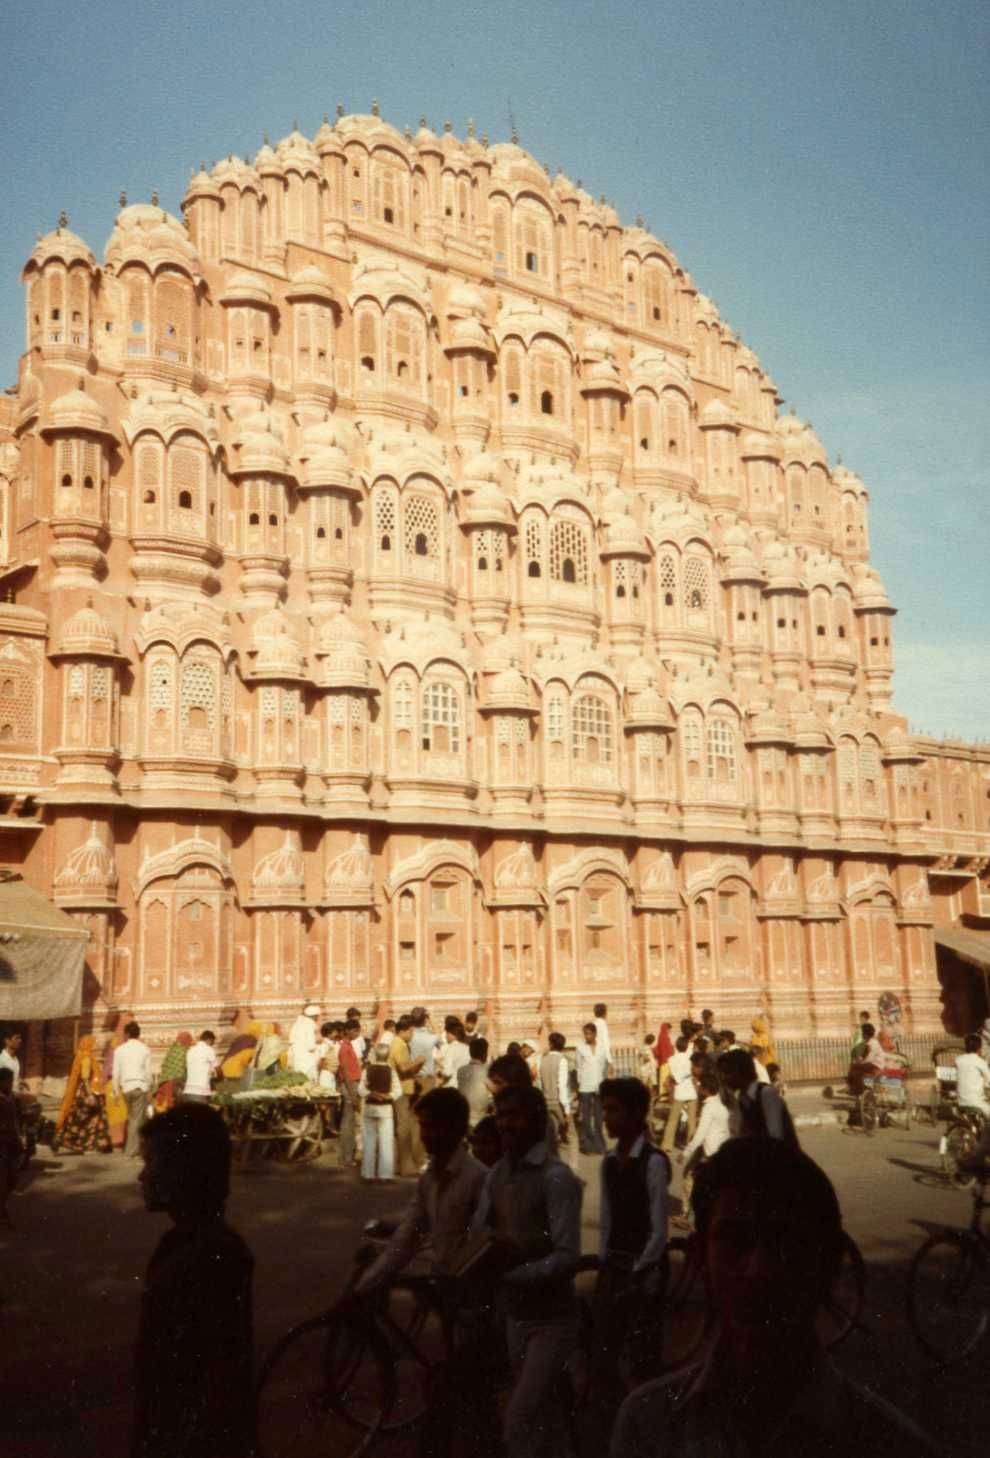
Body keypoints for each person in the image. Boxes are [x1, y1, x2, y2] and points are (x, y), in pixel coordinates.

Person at [611, 1139, 937, 1458]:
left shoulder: (896, 1445)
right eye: (735, 1241)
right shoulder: (645, 1426)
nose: (759, 1270)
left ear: (829, 1263)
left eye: (786, 1242)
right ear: (700, 1260)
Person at [132, 1103, 255, 1458]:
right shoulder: (187, 1243)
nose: (142, 1177)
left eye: (150, 1163)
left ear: (183, 1171)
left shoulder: (212, 1253)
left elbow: (216, 1379)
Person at [471, 1083, 583, 1458]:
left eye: (514, 1117)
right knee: (543, 1419)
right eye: (501, 1116)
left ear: (535, 1122)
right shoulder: (496, 1175)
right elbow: (479, 1234)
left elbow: (568, 1256)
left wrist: (512, 1274)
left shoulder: (557, 1177)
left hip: (552, 1321)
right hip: (514, 1318)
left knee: (518, 1420)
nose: (505, 1125)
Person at [356, 1086, 487, 1289]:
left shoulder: (477, 1178)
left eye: (433, 1127)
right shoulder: (429, 1178)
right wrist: (368, 1283)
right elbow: (407, 1236)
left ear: (455, 1129)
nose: (425, 1135)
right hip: (442, 1278)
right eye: (424, 1127)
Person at [593, 1078, 670, 1418]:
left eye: (614, 1110)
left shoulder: (652, 1162)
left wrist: (640, 1270)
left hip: (643, 1269)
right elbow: (607, 1220)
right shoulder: (609, 1162)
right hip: (616, 1267)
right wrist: (604, 1263)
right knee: (605, 1347)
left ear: (637, 1114)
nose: (606, 1118)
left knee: (642, 1353)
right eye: (604, 1110)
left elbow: (658, 1227)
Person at [678, 1071, 731, 1224]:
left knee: (691, 1177)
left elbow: (700, 1135)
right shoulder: (719, 1103)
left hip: (710, 1151)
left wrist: (685, 1153)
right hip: (717, 1149)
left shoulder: (709, 1108)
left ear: (706, 1090)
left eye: (700, 1086)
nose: (698, 1088)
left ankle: (689, 1216)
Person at [718, 1048, 796, 1143]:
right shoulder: (741, 1098)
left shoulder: (767, 1094)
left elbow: (775, 1138)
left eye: (727, 1072)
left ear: (741, 1071)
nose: (723, 1078)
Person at [52, 1033, 112, 1154]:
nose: (95, 1045)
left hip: (89, 1092)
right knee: (81, 1119)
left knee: (88, 1119)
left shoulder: (86, 1056)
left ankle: (89, 1144)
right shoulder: (86, 1058)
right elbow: (85, 1077)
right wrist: (90, 1095)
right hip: (89, 1092)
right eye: (93, 1043)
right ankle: (62, 1140)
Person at [388, 1014, 427, 1176]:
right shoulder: (399, 1045)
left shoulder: (399, 1044)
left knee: (404, 1128)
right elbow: (404, 1068)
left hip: (403, 1089)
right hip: (401, 1091)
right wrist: (418, 1061)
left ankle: (401, 1164)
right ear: (404, 1031)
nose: (412, 1035)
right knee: (404, 1130)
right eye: (411, 1032)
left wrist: (417, 1066)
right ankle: (405, 1167)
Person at [358, 1044, 400, 1182]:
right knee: (386, 1141)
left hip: (370, 1108)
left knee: (369, 1141)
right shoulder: (391, 1071)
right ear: (387, 1056)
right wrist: (390, 1096)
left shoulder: (367, 1070)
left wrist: (371, 1093)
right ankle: (385, 1175)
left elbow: (361, 1089)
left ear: (376, 1055)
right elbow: (398, 1091)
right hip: (385, 1109)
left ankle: (368, 1174)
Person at [112, 1021, 153, 1158]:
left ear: (127, 1034)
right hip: (139, 1086)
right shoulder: (145, 1049)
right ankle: (131, 1151)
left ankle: (133, 1148)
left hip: (126, 1088)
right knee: (136, 1120)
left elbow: (116, 1072)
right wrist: (149, 1089)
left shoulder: (119, 1050)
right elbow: (148, 1073)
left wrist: (116, 1091)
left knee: (132, 1118)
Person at [576, 1022, 608, 1155]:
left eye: (589, 1033)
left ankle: (600, 1146)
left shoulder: (602, 1047)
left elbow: (603, 1066)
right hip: (585, 1086)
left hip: (598, 1085)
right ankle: (587, 1146)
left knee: (599, 1118)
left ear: (595, 1034)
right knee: (586, 1117)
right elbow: (578, 1067)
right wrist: (580, 1084)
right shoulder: (580, 1048)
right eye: (585, 1034)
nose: (587, 1036)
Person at [662, 1035, 698, 1152]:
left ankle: (667, 1145)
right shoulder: (691, 1058)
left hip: (680, 1092)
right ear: (687, 1046)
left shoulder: (671, 1059)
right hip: (691, 1091)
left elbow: (674, 1076)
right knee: (692, 1120)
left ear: (676, 1046)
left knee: (673, 1119)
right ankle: (690, 1144)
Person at [336, 1018, 363, 1169]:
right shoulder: (345, 1049)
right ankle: (346, 1158)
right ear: (348, 1031)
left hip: (351, 1084)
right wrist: (353, 1095)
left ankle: (345, 1156)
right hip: (350, 1085)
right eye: (355, 1030)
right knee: (348, 1123)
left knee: (349, 1122)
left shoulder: (347, 1046)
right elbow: (346, 1072)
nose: (357, 1033)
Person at [0, 1066, 23, 1225]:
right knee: (2, 1180)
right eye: (8, 1081)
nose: (10, 1084)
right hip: (1, 1145)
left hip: (12, 1142)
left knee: (13, 1178)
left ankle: (1, 1208)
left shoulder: (10, 1097)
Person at [539, 1031, 571, 1145]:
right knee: (570, 1136)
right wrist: (567, 1109)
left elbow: (541, 1083)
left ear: (551, 1044)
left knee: (550, 1135)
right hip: (558, 1103)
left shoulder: (542, 1060)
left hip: (546, 1101)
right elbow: (562, 1086)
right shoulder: (562, 1061)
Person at [153, 1031, 193, 1112]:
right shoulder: (184, 1052)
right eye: (189, 1041)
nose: (190, 1044)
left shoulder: (172, 1050)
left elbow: (165, 1065)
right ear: (186, 1041)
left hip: (164, 1081)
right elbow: (185, 1071)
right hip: (174, 1084)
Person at [458, 1035, 492, 1129]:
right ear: (485, 1054)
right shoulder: (485, 1071)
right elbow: (495, 1090)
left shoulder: (461, 1071)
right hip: (480, 1118)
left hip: (464, 1117)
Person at [955, 1033, 990, 1116]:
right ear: (979, 1048)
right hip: (976, 1102)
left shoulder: (958, 1060)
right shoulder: (980, 1062)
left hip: (961, 1101)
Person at [410, 1007, 441, 1092]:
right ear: (425, 1020)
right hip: (428, 1080)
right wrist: (431, 1018)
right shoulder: (431, 1037)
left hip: (411, 1079)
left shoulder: (408, 1037)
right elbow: (440, 1039)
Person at [183, 1031, 218, 1103]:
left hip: (188, 1090)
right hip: (201, 1091)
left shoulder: (190, 1050)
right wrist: (221, 1078)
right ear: (209, 1040)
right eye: (212, 1042)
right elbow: (217, 1068)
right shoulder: (208, 1049)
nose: (212, 1045)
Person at [288, 1003, 320, 1080]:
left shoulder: (296, 1024)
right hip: (307, 1063)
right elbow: (311, 1046)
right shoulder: (309, 1024)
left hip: (297, 1062)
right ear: (314, 1016)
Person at [442, 1017, 472, 1085]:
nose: (446, 1036)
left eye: (447, 1033)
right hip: (466, 1085)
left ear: (453, 1034)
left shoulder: (450, 1049)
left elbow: (447, 1072)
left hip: (452, 1086)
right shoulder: (468, 1048)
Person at [593, 1002, 612, 1072]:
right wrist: (609, 1059)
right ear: (605, 1013)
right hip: (602, 1055)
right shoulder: (603, 1024)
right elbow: (605, 1041)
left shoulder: (593, 1023)